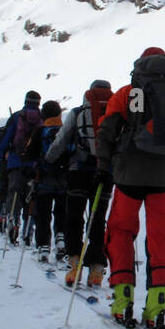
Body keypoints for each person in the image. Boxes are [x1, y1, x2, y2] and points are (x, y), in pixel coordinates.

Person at [96, 48, 165, 329]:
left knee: (121, 231)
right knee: (160, 237)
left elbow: (106, 131)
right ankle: (157, 302)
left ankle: (122, 298)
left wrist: (103, 165)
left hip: (128, 176)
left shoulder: (127, 93)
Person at [45, 80, 114, 287]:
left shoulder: (77, 112)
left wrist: (48, 161)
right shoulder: (115, 111)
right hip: (105, 173)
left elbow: (61, 140)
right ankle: (96, 269)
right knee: (98, 219)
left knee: (73, 218)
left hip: (78, 172)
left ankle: (74, 264)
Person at [0, 91, 43, 244]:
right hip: (33, 165)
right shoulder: (42, 117)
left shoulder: (17, 117)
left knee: (14, 192)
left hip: (15, 161)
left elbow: (7, 137)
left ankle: (14, 222)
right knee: (30, 196)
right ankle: (28, 229)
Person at [32, 101, 69, 265]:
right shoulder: (66, 130)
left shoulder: (40, 131)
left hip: (44, 180)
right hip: (64, 180)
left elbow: (30, 153)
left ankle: (43, 246)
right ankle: (61, 239)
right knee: (61, 212)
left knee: (43, 213)